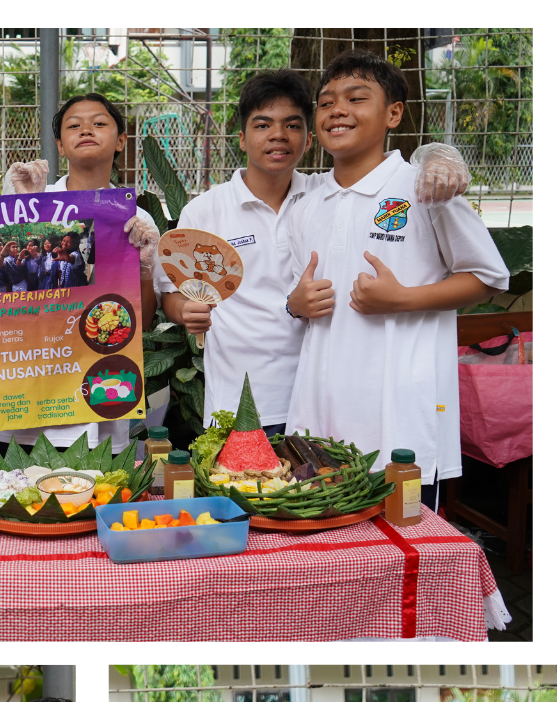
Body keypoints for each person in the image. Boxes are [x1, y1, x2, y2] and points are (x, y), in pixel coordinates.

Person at [171, 67, 472, 437]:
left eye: (292, 125)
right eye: (263, 125)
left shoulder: (327, 196)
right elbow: (172, 293)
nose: (278, 135)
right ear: (242, 139)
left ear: (309, 138)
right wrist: (185, 311)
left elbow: (385, 173)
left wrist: (437, 156)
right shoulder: (204, 212)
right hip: (238, 399)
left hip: (321, 399)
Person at [281, 53, 509, 486]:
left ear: (394, 113)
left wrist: (402, 298)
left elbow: (489, 276)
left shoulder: (425, 187)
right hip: (319, 414)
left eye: (356, 98)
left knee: (404, 527)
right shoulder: (306, 206)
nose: (337, 110)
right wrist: (296, 304)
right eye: (326, 102)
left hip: (402, 419)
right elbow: (298, 295)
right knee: (327, 525)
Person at [0, 92, 175, 451]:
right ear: (60, 146)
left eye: (99, 123)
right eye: (74, 126)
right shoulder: (32, 198)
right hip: (28, 397)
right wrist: (25, 208)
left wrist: (144, 267)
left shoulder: (136, 220)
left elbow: (141, 320)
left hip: (101, 401)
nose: (86, 130)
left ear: (121, 141)